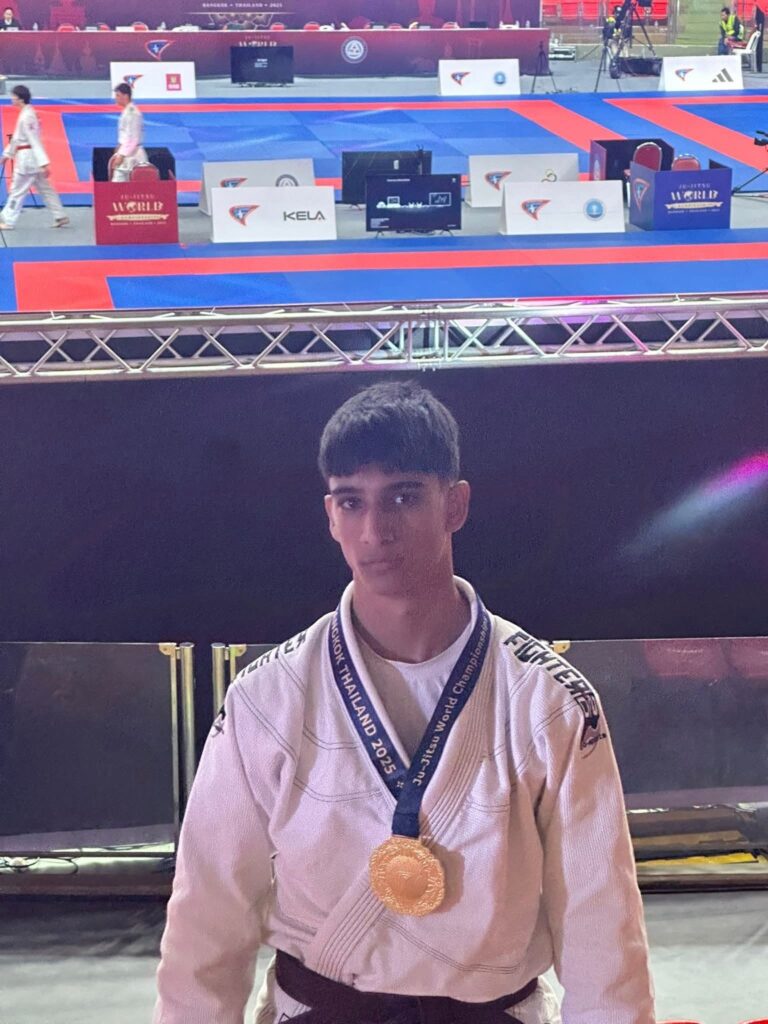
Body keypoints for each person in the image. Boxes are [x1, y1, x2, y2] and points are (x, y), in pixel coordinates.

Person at [153, 381, 656, 1024]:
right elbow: (208, 912)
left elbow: (600, 919)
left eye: (403, 496)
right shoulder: (265, 699)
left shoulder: (550, 699)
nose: (375, 530)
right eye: (351, 501)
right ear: (330, 516)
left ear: (455, 505)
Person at [0, 85, 69, 231]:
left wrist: (44, 162)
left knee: (18, 190)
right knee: (45, 189)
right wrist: (6, 155)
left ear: (20, 98)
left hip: (28, 160)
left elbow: (34, 140)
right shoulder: (26, 114)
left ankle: (8, 220)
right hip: (30, 159)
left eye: (13, 96)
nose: (11, 99)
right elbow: (17, 139)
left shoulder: (28, 116)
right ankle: (60, 215)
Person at [111, 82, 147, 183]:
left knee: (121, 184)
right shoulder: (127, 111)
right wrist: (119, 148)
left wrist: (122, 155)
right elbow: (126, 135)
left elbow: (133, 139)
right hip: (127, 153)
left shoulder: (133, 113)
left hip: (133, 156)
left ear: (126, 96)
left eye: (118, 95)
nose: (115, 98)